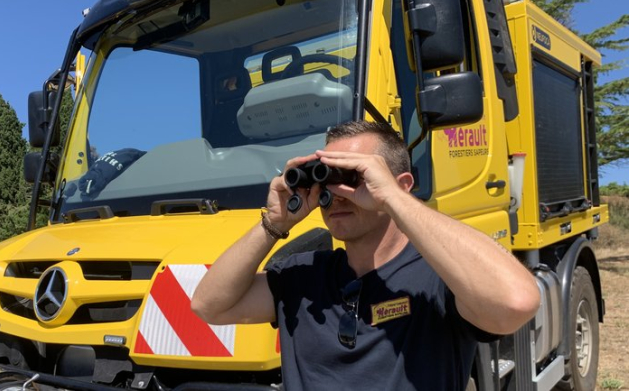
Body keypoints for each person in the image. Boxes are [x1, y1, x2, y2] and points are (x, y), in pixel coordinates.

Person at [191, 121, 540, 390]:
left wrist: (394, 200)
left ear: (400, 185)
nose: (338, 195)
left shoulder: (441, 274)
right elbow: (209, 306)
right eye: (329, 180)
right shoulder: (304, 275)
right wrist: (274, 223)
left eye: (354, 179)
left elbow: (516, 302)